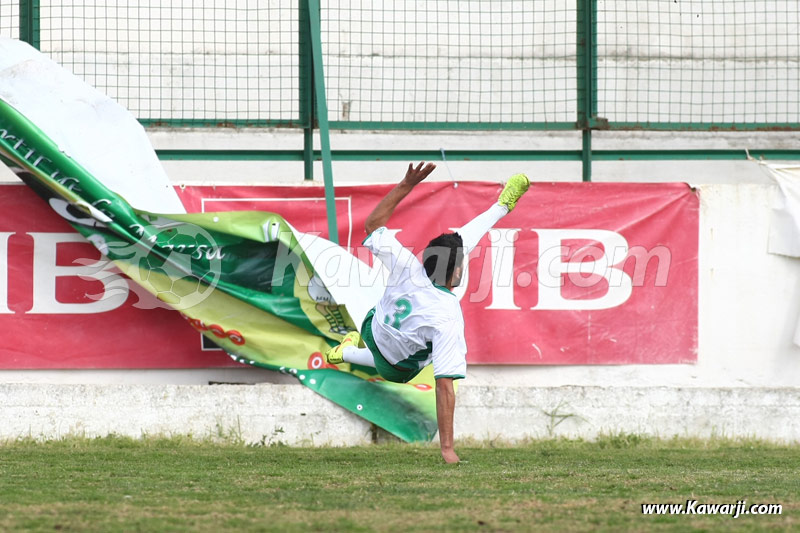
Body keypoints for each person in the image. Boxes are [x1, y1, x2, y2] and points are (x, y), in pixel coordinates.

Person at [326, 162, 530, 463]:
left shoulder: (409, 264)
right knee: (427, 353)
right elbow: (445, 383)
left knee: (457, 243)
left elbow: (372, 225)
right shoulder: (446, 315)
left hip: (372, 325)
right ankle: (345, 353)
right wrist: (447, 448)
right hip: (396, 367)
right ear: (457, 270)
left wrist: (405, 185)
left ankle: (502, 206)